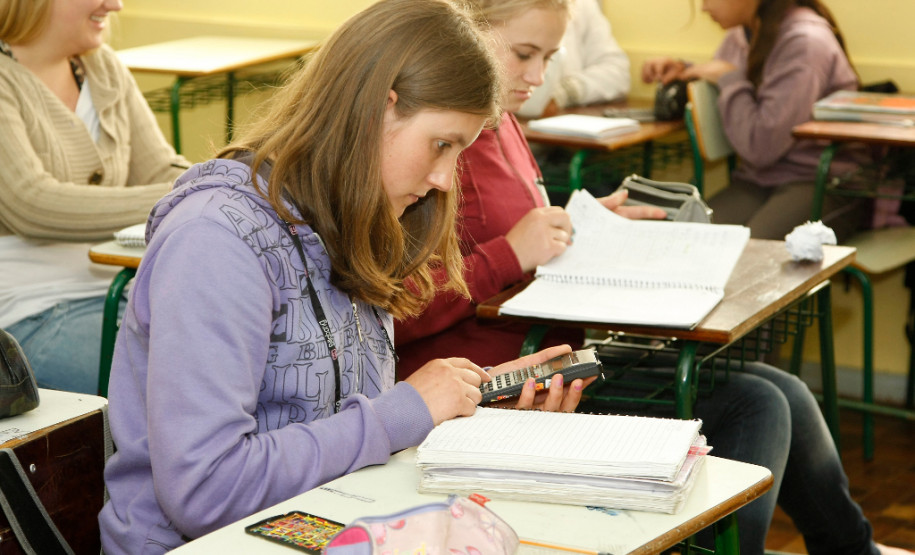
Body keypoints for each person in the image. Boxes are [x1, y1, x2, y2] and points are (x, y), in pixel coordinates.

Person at [395, 1, 912, 554]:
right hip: (496, 384)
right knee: (758, 403)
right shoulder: (435, 146)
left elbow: (513, 231)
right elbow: (390, 312)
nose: (539, 76)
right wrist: (511, 253)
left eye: (549, 57)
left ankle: (854, 549)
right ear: (467, 39)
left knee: (780, 389)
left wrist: (584, 227)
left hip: (554, 361)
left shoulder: (503, 126)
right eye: (524, 54)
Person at [98, 1, 590, 552]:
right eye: (442, 144)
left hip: (334, 527)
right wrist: (406, 410)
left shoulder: (353, 216)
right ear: (379, 109)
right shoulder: (215, 241)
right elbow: (207, 490)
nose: (445, 179)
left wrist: (472, 403)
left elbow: (337, 425)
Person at [0, 0, 189, 394]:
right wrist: (193, 190)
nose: (115, 5)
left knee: (242, 357)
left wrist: (221, 179)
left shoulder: (103, 67)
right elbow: (32, 205)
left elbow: (162, 170)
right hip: (26, 313)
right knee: (179, 386)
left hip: (122, 290)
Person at [641, 0, 868, 241]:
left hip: (822, 182)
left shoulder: (805, 41)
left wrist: (727, 77)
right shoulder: (738, 37)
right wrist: (685, 71)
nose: (704, 8)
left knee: (752, 257)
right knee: (684, 239)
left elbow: (762, 147)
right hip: (760, 179)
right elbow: (740, 88)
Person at [516, 0, 630, 119]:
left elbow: (617, 72)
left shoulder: (583, 5)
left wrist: (567, 91)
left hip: (559, 125)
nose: (538, 79)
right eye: (523, 55)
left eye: (548, 57)